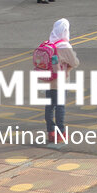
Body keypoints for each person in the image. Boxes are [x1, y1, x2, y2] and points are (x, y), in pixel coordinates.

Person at [35, 18, 78, 146]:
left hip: (48, 80)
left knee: (49, 106)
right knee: (60, 107)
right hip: (60, 81)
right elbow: (75, 62)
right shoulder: (64, 46)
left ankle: (50, 132)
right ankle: (61, 133)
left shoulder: (48, 43)